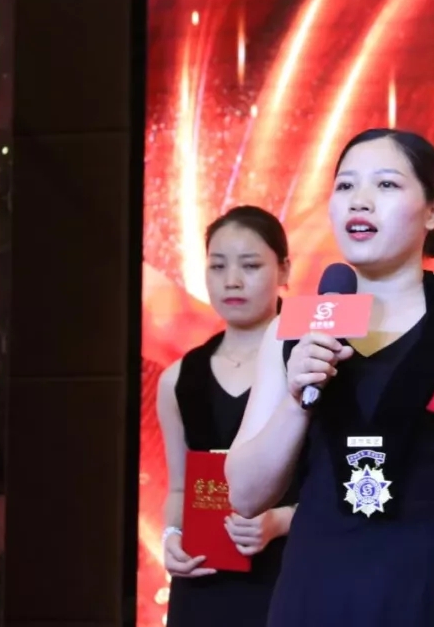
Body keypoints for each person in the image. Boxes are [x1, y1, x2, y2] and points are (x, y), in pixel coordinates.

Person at [226, 128, 434, 626]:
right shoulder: (293, 328)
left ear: (433, 211)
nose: (360, 200)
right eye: (345, 185)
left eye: (386, 185)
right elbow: (245, 496)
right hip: (319, 594)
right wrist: (296, 398)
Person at [157, 205, 298, 626]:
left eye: (250, 266)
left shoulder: (312, 361)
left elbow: (336, 487)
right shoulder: (178, 378)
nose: (231, 280)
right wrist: (172, 537)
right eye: (218, 266)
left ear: (284, 269)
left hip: (290, 572)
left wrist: (280, 521)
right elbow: (179, 487)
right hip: (203, 579)